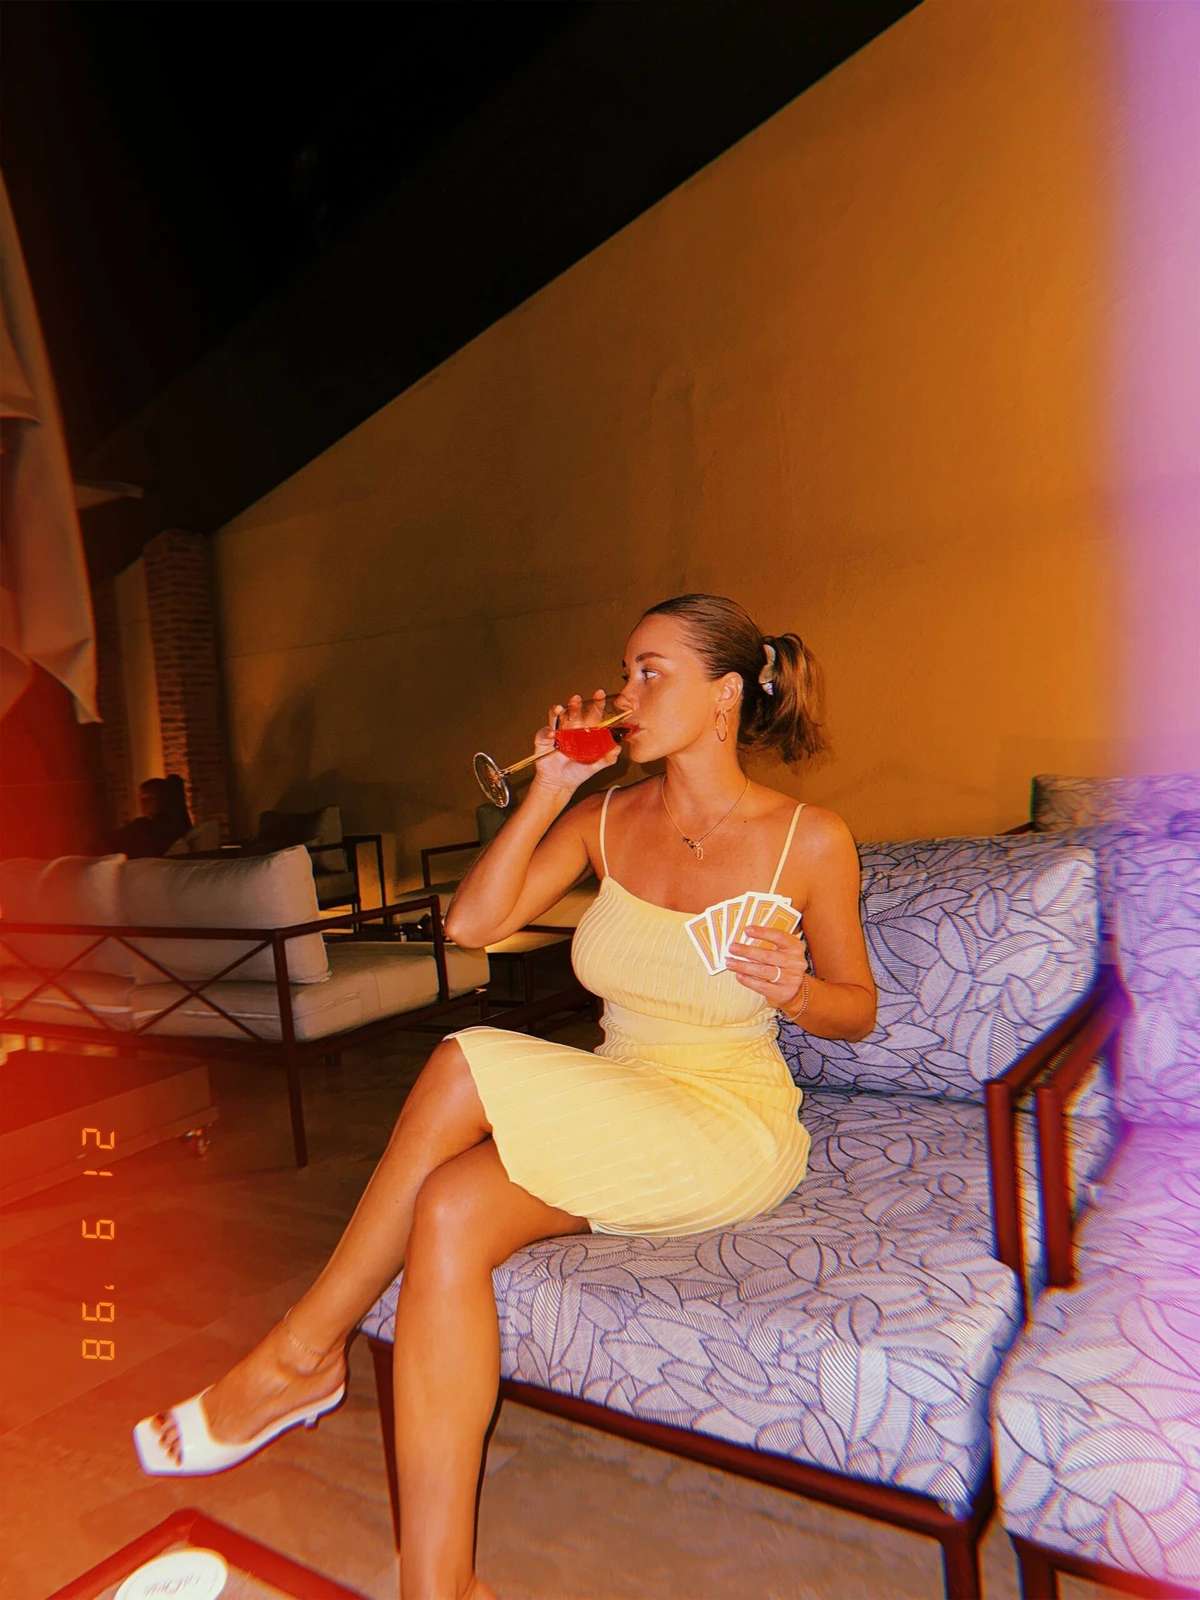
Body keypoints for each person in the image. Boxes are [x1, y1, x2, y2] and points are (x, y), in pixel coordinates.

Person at [132, 594, 877, 1600]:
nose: (624, 693)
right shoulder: (605, 817)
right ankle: (439, 1585)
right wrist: (550, 790)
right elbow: (471, 926)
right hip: (625, 1087)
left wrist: (795, 990)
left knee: (461, 1061)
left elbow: (857, 1009)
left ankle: (300, 1356)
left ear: (725, 694)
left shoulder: (808, 839)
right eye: (624, 670)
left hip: (724, 1119)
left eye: (651, 672)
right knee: (447, 1208)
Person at [110, 774, 192, 858]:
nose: (143, 804)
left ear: (162, 799)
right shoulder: (141, 824)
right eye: (141, 800)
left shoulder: (156, 828)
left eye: (149, 799)